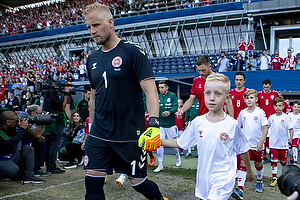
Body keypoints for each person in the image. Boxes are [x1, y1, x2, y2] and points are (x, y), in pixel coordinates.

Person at [83, 3, 166, 200]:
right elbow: (93, 96)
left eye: (96, 25)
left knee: (139, 183)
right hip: (100, 133)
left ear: (110, 22)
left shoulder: (132, 52)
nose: (92, 31)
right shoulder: (92, 58)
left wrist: (153, 124)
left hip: (130, 134)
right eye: (88, 27)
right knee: (92, 183)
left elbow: (151, 91)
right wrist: (91, 128)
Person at [159, 73, 254, 199]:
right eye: (208, 93)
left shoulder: (232, 124)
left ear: (226, 97)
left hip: (223, 177)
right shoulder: (198, 122)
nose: (212, 98)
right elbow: (180, 142)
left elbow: (243, 149)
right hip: (204, 178)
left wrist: (249, 170)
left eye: (218, 94)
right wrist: (158, 141)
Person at [231, 89, 268, 199]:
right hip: (245, 145)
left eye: (251, 98)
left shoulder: (260, 112)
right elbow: (238, 126)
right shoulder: (243, 113)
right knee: (243, 164)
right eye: (247, 98)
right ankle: (240, 189)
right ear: (244, 100)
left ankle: (259, 181)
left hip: (257, 145)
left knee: (257, 164)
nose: (249, 100)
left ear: (256, 99)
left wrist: (261, 142)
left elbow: (265, 128)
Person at [0, 111, 45, 183]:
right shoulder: (1, 131)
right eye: (16, 120)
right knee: (13, 170)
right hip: (2, 158)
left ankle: (28, 176)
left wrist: (26, 131)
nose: (19, 122)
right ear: (8, 122)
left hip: (10, 155)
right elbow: (10, 145)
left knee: (28, 149)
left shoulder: (10, 129)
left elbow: (21, 142)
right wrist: (22, 129)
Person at [154, 81, 180, 173]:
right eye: (159, 88)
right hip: (161, 125)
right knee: (159, 143)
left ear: (167, 87)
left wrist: (169, 112)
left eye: (162, 87)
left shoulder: (172, 95)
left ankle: (178, 157)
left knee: (174, 146)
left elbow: (175, 107)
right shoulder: (158, 97)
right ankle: (160, 164)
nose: (160, 89)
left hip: (171, 125)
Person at [268, 97, 293, 187]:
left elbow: (291, 129)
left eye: (280, 106)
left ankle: (283, 176)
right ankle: (274, 178)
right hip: (273, 143)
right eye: (276, 106)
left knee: (283, 162)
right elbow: (267, 128)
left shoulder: (286, 117)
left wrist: (290, 138)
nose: (278, 108)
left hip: (283, 144)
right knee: (274, 161)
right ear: (274, 107)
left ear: (283, 107)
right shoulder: (271, 117)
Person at [26, 105, 51, 177]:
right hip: (23, 144)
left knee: (41, 143)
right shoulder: (27, 120)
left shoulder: (33, 120)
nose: (42, 115)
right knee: (39, 144)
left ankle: (37, 168)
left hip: (29, 142)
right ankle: (35, 169)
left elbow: (37, 134)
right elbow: (37, 135)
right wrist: (43, 122)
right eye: (40, 113)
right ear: (33, 113)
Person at [258, 79, 279, 163]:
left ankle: (271, 154)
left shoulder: (275, 93)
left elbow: (277, 104)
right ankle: (264, 156)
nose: (266, 89)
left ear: (270, 85)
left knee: (271, 136)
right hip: (263, 118)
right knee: (263, 137)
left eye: (267, 87)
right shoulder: (259, 94)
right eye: (264, 87)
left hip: (272, 118)